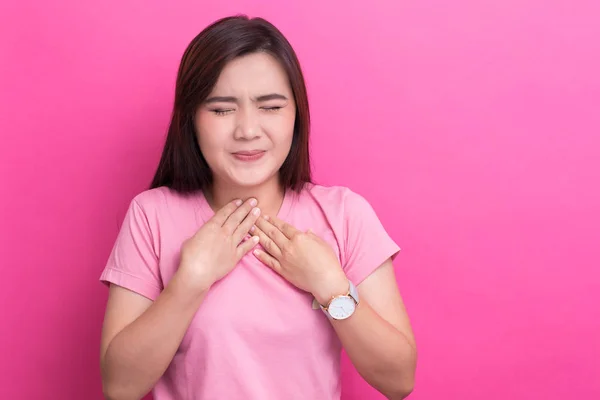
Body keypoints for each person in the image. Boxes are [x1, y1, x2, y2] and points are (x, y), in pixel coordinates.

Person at [99, 14, 417, 400]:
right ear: (191, 119)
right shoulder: (152, 215)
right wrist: (189, 283)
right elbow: (119, 387)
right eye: (221, 109)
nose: (248, 130)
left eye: (270, 107)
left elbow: (399, 380)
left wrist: (332, 287)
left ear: (296, 115)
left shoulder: (344, 215)